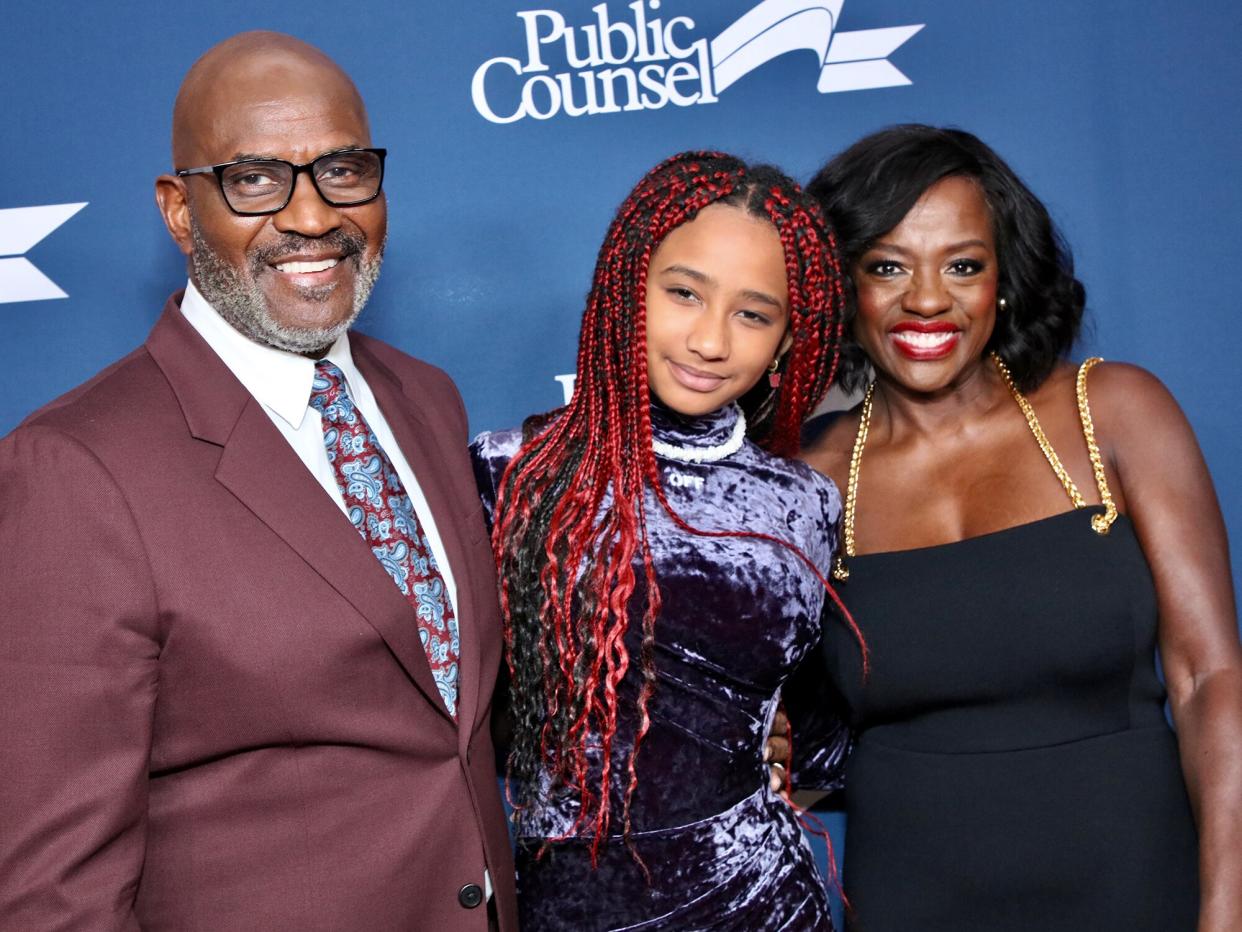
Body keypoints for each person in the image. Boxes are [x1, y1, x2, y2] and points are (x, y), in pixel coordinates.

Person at [0, 32, 516, 930]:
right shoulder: (74, 470)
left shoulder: (426, 399)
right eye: (255, 178)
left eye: (344, 170)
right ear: (177, 208)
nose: (313, 216)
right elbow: (53, 891)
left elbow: (450, 718)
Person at [796, 124, 1242, 931]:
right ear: (839, 287)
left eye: (962, 265)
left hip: (1136, 883)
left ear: (1002, 280)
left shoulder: (1111, 410)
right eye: (887, 267)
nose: (927, 300)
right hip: (911, 896)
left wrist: (1227, 908)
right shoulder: (810, 476)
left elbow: (1211, 681)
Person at [470, 151, 859, 930]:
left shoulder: (806, 503)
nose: (711, 340)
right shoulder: (508, 472)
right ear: (626, 290)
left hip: (762, 903)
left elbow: (817, 732)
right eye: (684, 294)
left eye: (753, 314)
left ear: (787, 340)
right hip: (567, 909)